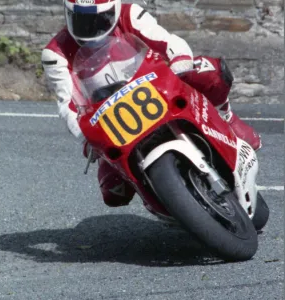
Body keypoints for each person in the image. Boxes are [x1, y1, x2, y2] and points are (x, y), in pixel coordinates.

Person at [42, 0, 261, 207]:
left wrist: (179, 60)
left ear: (115, 9)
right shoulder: (55, 54)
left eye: (101, 19)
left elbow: (169, 42)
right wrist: (85, 137)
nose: (91, 28)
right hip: (113, 120)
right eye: (82, 21)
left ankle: (226, 119)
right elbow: (67, 104)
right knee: (113, 192)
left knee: (210, 72)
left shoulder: (131, 14)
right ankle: (162, 197)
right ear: (68, 15)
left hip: (158, 87)